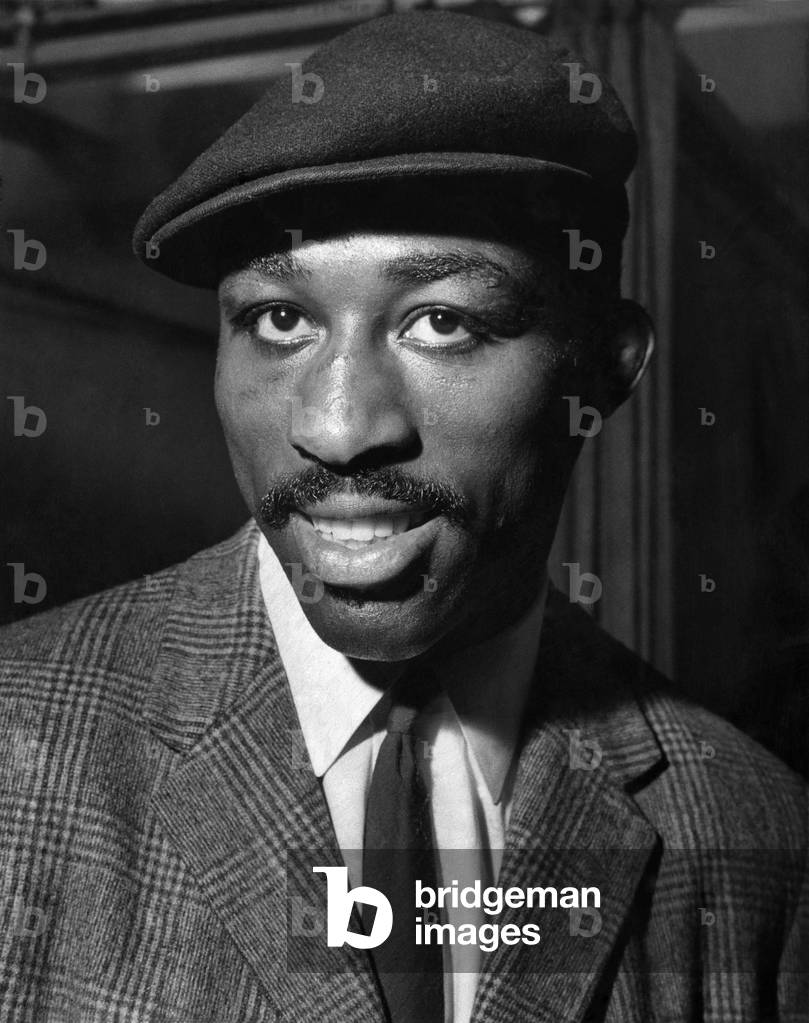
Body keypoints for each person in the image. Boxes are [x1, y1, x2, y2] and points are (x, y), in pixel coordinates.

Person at [0, 11, 806, 1023]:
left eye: (441, 322)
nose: (337, 430)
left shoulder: (744, 834)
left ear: (602, 368)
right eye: (278, 320)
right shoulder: (16, 752)